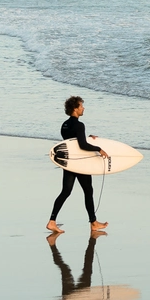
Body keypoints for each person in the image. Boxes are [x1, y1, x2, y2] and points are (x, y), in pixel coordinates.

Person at [49, 96, 108, 233]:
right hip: (80, 163)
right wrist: (98, 149)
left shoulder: (64, 125)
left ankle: (52, 221)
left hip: (69, 163)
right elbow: (82, 145)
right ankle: (93, 223)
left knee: (66, 191)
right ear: (75, 109)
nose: (83, 108)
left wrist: (86, 138)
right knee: (88, 191)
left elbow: (71, 143)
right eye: (81, 106)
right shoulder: (79, 125)